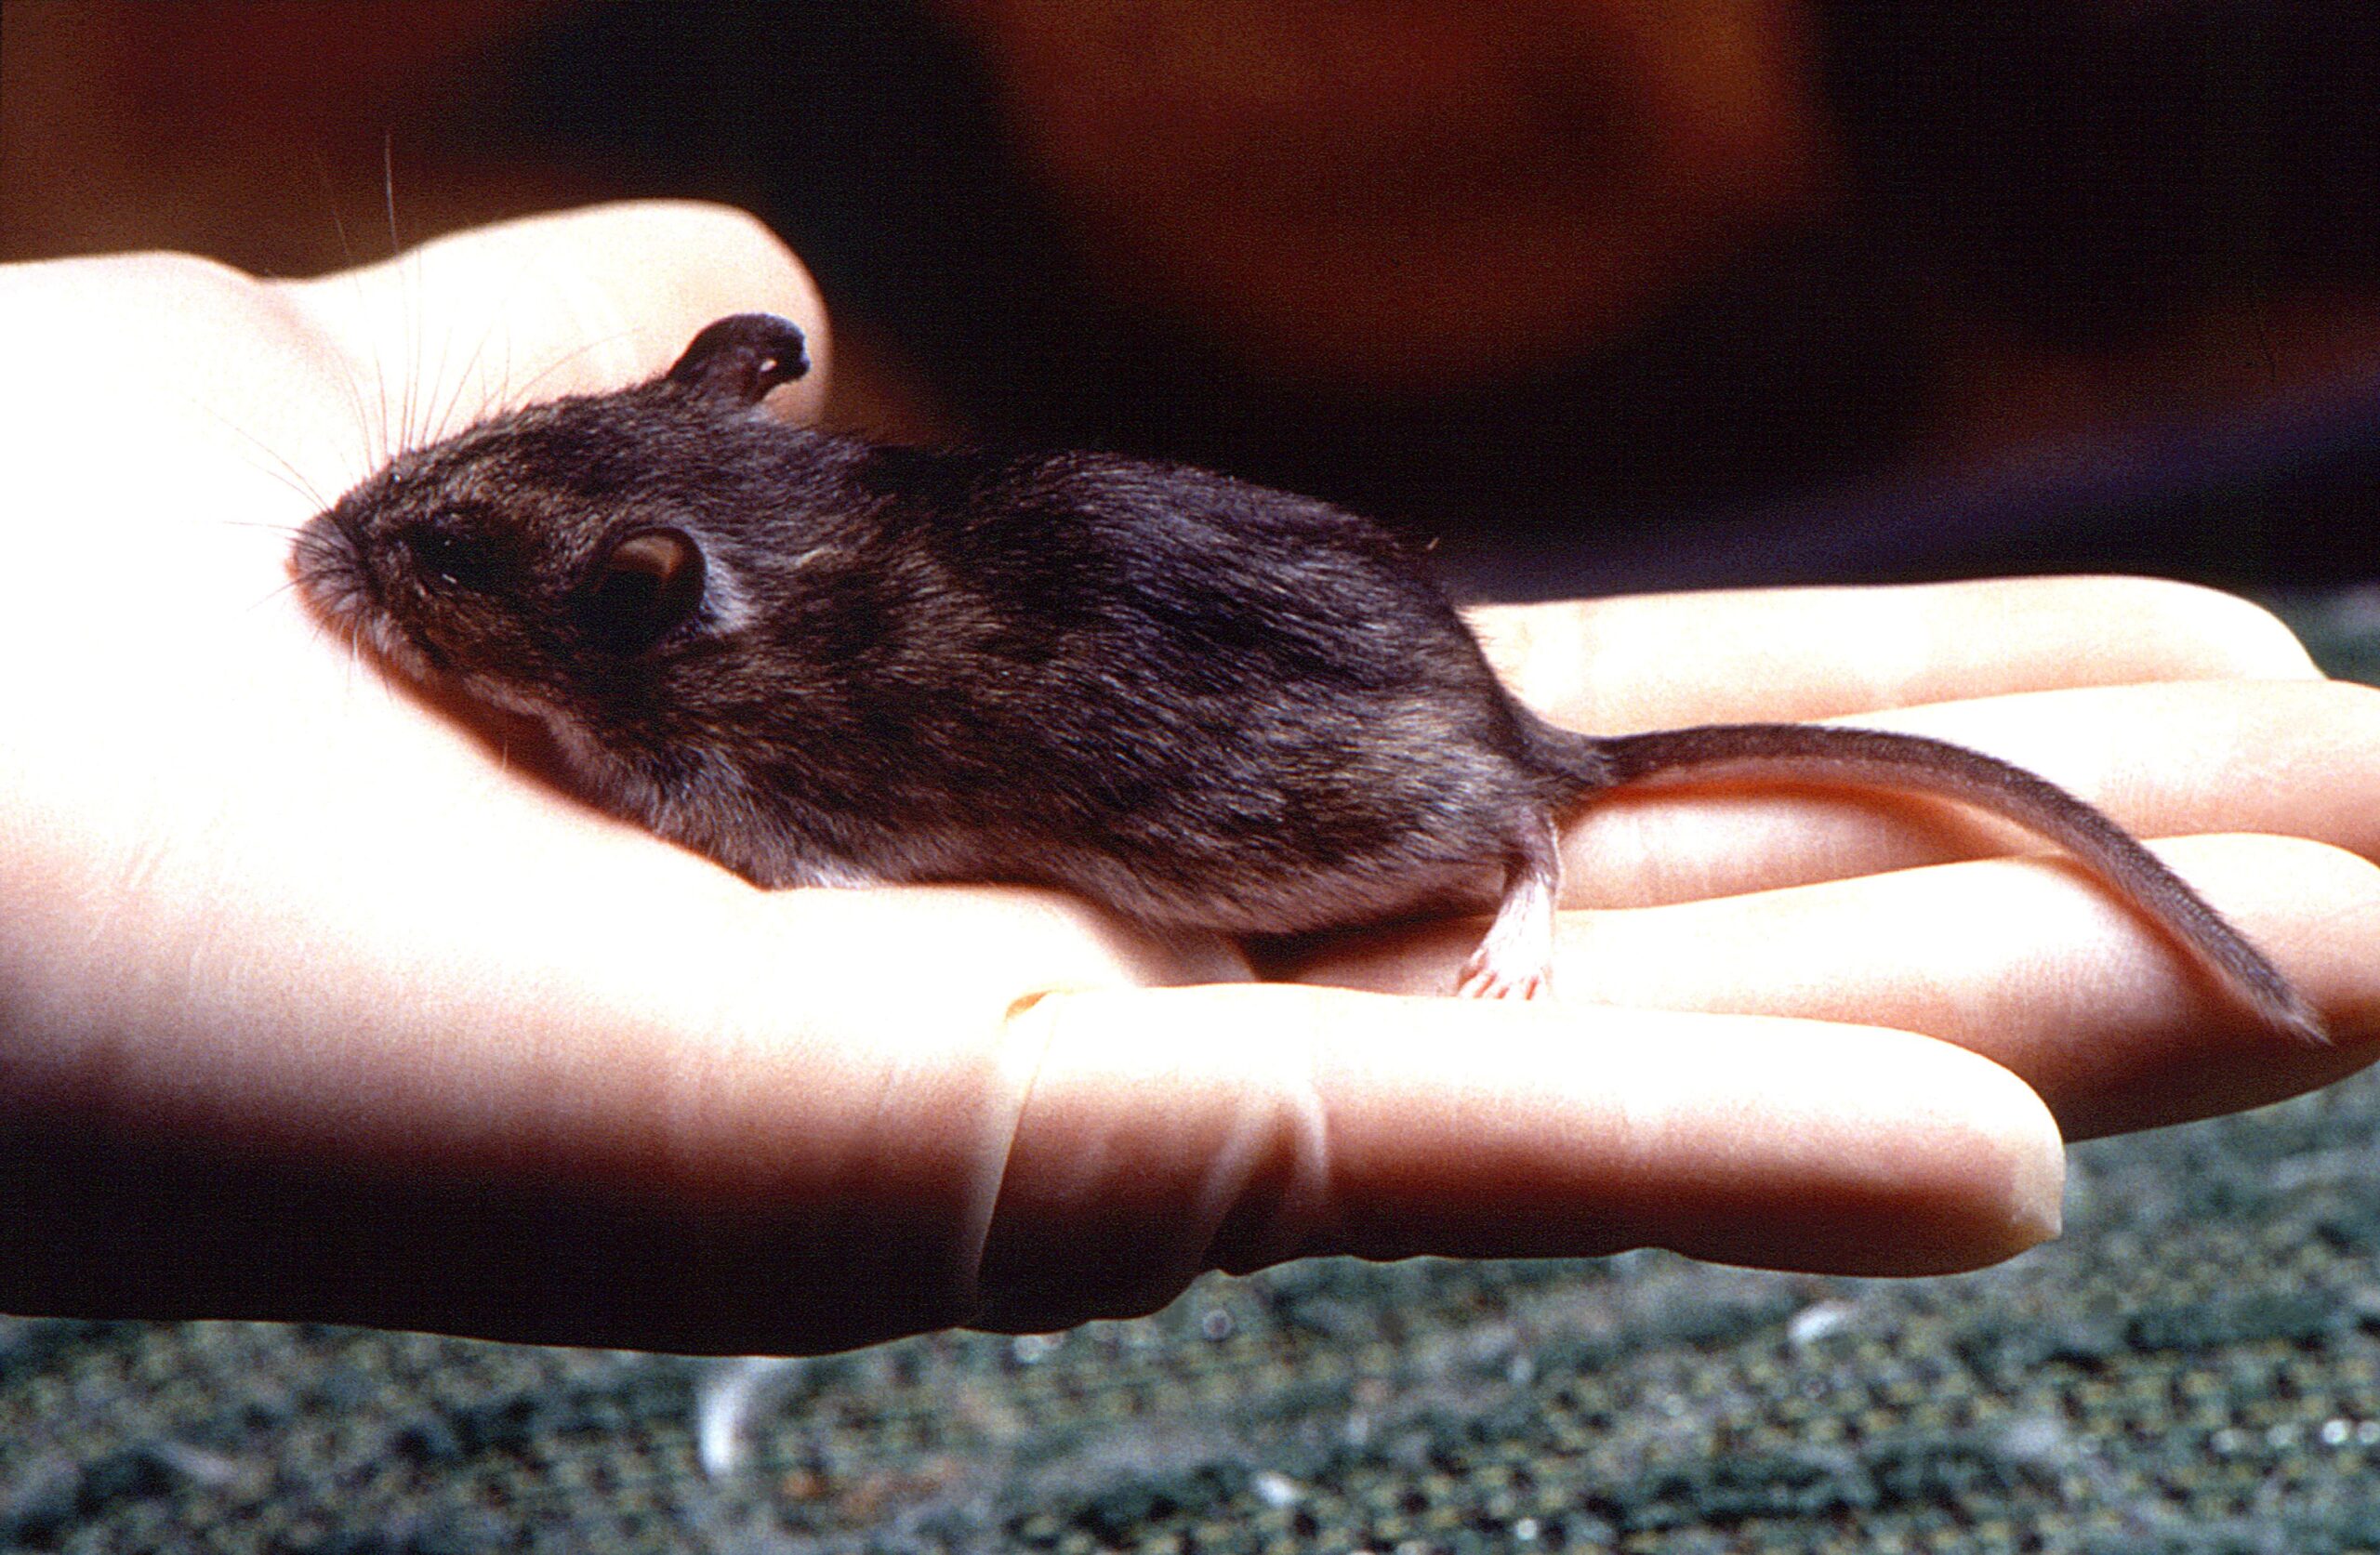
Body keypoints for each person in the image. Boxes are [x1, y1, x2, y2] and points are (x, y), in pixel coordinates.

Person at [0, 201, 2369, 1357]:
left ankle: (1516, 837)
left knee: (1293, 819)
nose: (358, 569)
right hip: (1315, 636)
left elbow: (775, 842)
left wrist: (1501, 835)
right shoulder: (731, 572)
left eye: (452, 578)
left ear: (655, 599)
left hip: (1353, 749)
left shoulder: (728, 709)